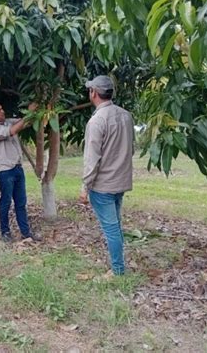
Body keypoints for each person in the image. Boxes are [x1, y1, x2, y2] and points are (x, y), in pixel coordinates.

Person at [79, 75, 134, 275]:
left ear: (93, 93)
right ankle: (118, 264)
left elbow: (92, 158)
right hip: (121, 181)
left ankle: (118, 270)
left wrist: (85, 186)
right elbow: (130, 148)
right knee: (116, 224)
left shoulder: (96, 121)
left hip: (103, 185)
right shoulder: (126, 115)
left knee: (111, 228)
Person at [0, 101, 40, 243]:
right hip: (5, 170)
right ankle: (5, 232)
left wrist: (34, 112)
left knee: (21, 202)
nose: (2, 111)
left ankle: (26, 232)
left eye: (2, 108)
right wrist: (28, 112)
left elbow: (25, 123)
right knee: (6, 202)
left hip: (17, 168)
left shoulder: (8, 122)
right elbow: (12, 131)